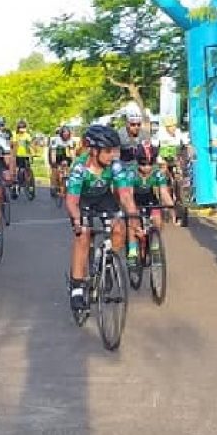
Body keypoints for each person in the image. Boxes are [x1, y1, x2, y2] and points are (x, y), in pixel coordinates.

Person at [65, 125, 138, 312]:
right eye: (107, 151)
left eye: (114, 150)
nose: (112, 155)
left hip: (104, 199)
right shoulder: (80, 168)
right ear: (94, 151)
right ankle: (77, 286)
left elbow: (125, 196)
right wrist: (77, 220)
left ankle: (106, 260)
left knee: (120, 228)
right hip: (83, 201)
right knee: (83, 236)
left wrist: (134, 217)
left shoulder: (115, 165)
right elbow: (71, 202)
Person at [131, 143, 178, 260]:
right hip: (134, 198)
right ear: (137, 162)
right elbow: (128, 195)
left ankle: (155, 244)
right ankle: (132, 251)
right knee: (132, 223)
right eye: (143, 163)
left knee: (158, 221)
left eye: (150, 163)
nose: (147, 167)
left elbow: (164, 194)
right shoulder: (131, 173)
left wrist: (172, 211)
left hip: (150, 198)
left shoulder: (157, 173)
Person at [49, 126, 81, 193]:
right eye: (64, 135)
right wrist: (53, 162)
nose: (66, 136)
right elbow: (53, 152)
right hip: (56, 154)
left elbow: (72, 153)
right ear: (61, 134)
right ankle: (53, 185)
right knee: (54, 169)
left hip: (65, 155)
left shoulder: (71, 140)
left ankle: (66, 182)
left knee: (69, 167)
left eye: (67, 135)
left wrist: (74, 161)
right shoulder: (55, 140)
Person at [11, 119, 35, 189]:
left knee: (27, 167)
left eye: (24, 127)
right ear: (18, 128)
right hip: (18, 154)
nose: (22, 129)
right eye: (21, 128)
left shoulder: (27, 135)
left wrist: (33, 152)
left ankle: (28, 181)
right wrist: (14, 155)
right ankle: (18, 181)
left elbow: (30, 144)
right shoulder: (15, 135)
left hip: (26, 154)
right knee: (19, 168)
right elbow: (14, 145)